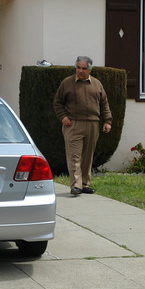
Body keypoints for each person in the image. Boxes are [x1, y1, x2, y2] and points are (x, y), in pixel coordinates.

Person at [53, 56, 112, 197]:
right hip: (73, 124)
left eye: (84, 68)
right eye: (78, 67)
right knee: (74, 156)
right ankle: (76, 186)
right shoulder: (67, 83)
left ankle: (85, 184)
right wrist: (63, 117)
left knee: (87, 156)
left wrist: (108, 121)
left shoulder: (97, 84)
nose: (80, 71)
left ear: (90, 70)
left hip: (92, 124)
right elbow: (57, 102)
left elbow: (104, 104)